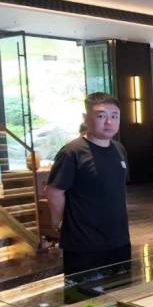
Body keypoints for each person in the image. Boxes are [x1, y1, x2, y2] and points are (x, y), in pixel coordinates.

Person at [46, 92, 131, 275]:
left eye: (115, 116)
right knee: (83, 292)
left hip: (119, 239)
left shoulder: (119, 149)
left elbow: (119, 189)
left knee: (121, 288)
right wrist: (58, 223)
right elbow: (54, 192)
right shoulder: (72, 152)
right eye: (101, 116)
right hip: (84, 243)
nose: (109, 122)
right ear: (86, 118)